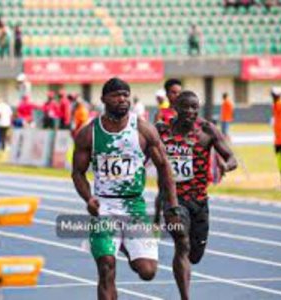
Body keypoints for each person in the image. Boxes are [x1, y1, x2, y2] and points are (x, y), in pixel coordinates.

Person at [71, 77, 180, 300]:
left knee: (148, 272)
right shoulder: (89, 133)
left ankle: (124, 245)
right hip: (104, 207)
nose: (122, 99)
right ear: (103, 99)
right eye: (116, 95)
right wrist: (88, 198)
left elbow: (164, 167)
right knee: (106, 268)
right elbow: (77, 173)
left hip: (134, 206)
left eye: (125, 95)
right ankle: (112, 244)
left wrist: (173, 206)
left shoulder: (143, 129)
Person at [155, 90, 237, 300]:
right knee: (181, 243)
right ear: (176, 108)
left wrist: (225, 165)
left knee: (195, 255)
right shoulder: (162, 131)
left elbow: (231, 158)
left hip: (199, 201)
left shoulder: (207, 131)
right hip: (174, 200)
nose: (190, 111)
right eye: (186, 107)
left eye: (194, 107)